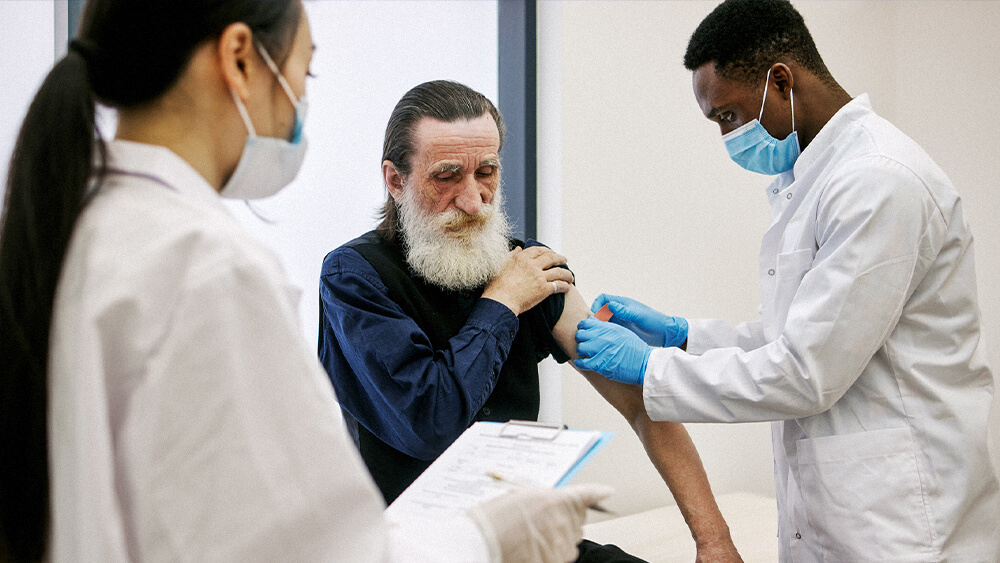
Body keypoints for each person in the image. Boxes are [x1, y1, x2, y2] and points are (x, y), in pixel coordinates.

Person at [0, 2, 610, 562]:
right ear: (240, 59)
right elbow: (311, 546)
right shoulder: (209, 267)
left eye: (487, 171)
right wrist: (489, 535)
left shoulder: (81, 229)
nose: (473, 198)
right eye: (306, 72)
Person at [573, 0, 1000, 561]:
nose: (727, 136)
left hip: (904, 513)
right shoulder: (814, 178)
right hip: (846, 506)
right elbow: (794, 338)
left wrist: (650, 367)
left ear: (780, 80)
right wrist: (683, 336)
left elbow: (805, 371)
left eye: (728, 116)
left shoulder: (879, 181)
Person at [319, 80, 743, 561]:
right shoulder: (353, 277)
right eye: (446, 176)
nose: (474, 200)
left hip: (519, 541)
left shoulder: (526, 267)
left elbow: (643, 403)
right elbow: (429, 421)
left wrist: (715, 542)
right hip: (414, 550)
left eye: (487, 172)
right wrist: (500, 304)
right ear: (395, 180)